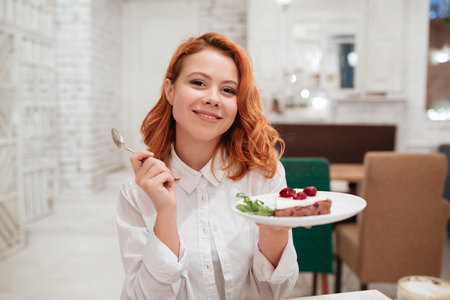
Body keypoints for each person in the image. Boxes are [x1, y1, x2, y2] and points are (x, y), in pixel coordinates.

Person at [116, 32, 299, 300]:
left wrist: (274, 230)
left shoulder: (264, 177)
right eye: (198, 82)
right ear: (170, 90)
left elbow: (275, 292)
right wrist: (165, 213)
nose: (213, 98)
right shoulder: (136, 192)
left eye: (228, 90)